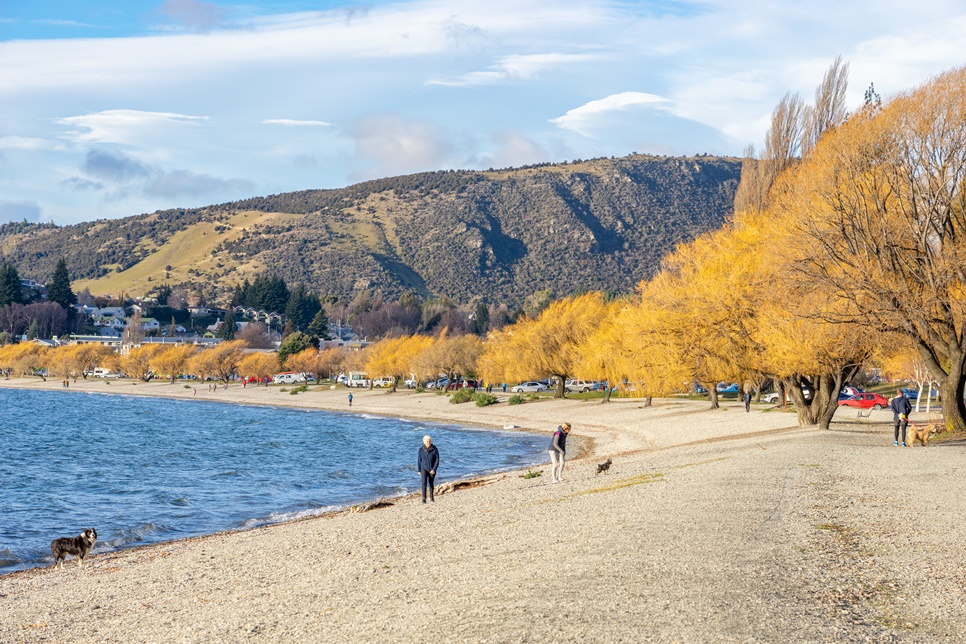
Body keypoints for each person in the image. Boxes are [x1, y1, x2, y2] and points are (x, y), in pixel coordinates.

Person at [417, 435, 440, 503]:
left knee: (431, 483)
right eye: (427, 441)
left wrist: (434, 469)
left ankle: (432, 497)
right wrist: (419, 470)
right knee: (424, 483)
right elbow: (419, 460)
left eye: (429, 441)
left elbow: (437, 460)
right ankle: (424, 499)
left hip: (432, 469)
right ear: (424, 442)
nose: (428, 442)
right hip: (423, 468)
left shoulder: (434, 449)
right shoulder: (421, 450)